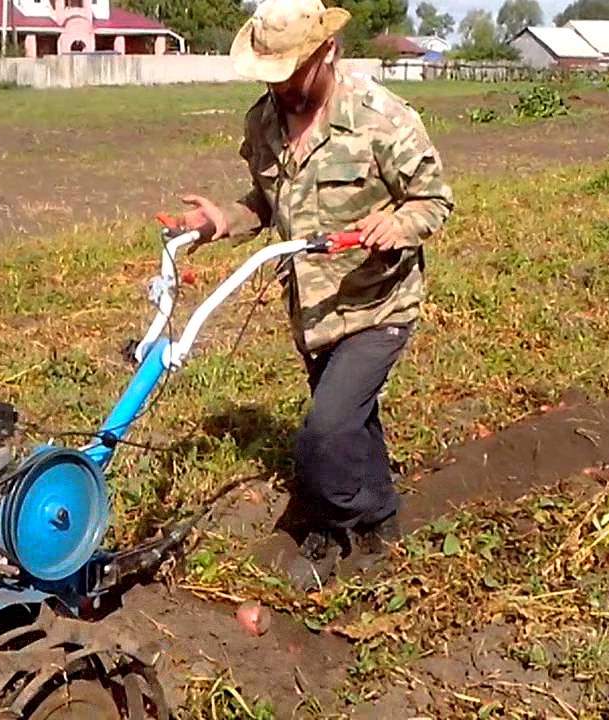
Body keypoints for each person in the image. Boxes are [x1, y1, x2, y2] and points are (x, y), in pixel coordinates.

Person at [179, 0, 455, 590]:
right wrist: (222, 220)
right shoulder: (263, 124)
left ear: (326, 53)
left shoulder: (382, 118)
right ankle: (381, 528)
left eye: (290, 72)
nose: (279, 87)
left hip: (378, 301)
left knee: (325, 431)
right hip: (312, 309)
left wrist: (398, 226)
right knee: (352, 421)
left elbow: (434, 200)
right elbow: (265, 202)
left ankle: (339, 526)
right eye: (269, 74)